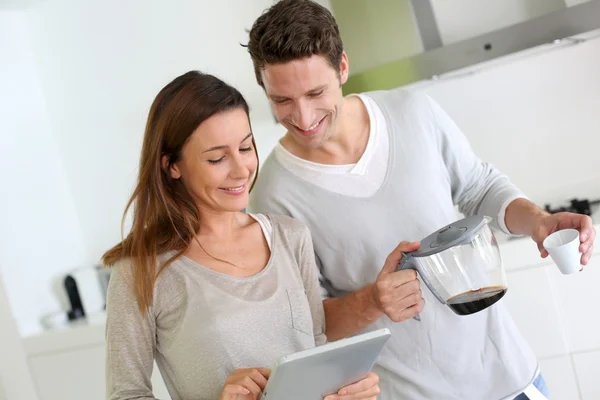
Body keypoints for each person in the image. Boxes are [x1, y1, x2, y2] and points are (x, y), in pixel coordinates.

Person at [244, 1, 597, 399]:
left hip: (510, 379)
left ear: (342, 67)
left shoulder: (411, 112)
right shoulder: (272, 195)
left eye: (315, 92)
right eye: (282, 101)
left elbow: (479, 187)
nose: (303, 117)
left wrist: (538, 221)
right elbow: (303, 324)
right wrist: (371, 301)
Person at [102, 70, 380, 400]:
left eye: (246, 147)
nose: (240, 169)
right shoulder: (140, 270)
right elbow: (126, 395)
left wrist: (346, 389)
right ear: (171, 166)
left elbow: (316, 349)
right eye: (217, 158)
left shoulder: (291, 238)